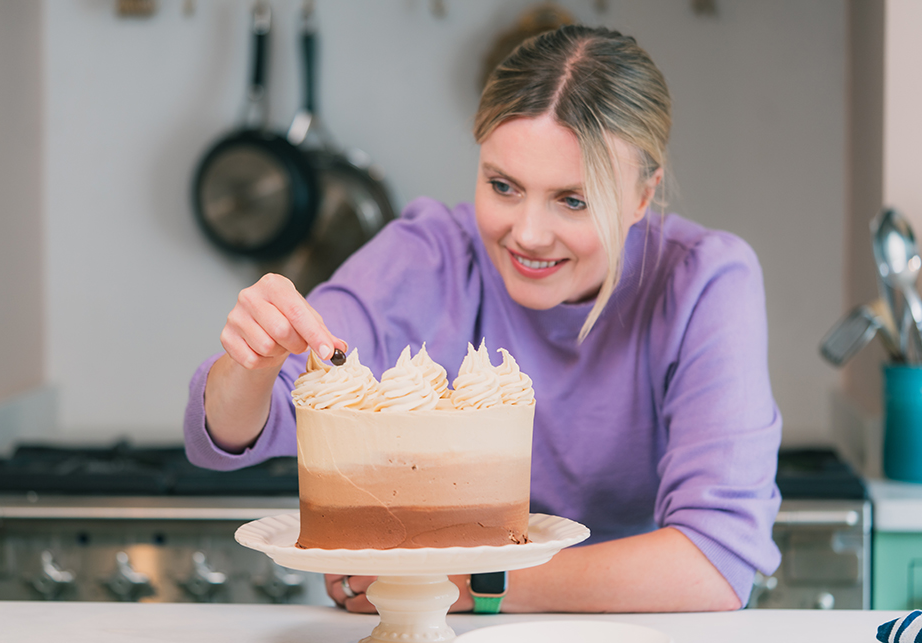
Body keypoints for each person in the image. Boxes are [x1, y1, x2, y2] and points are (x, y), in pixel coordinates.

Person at [184, 24, 782, 613]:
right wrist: (251, 364)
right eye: (503, 186)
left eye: (573, 199)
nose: (527, 234)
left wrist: (463, 582)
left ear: (643, 196)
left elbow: (713, 565)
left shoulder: (703, 282)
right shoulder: (427, 256)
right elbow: (232, 432)